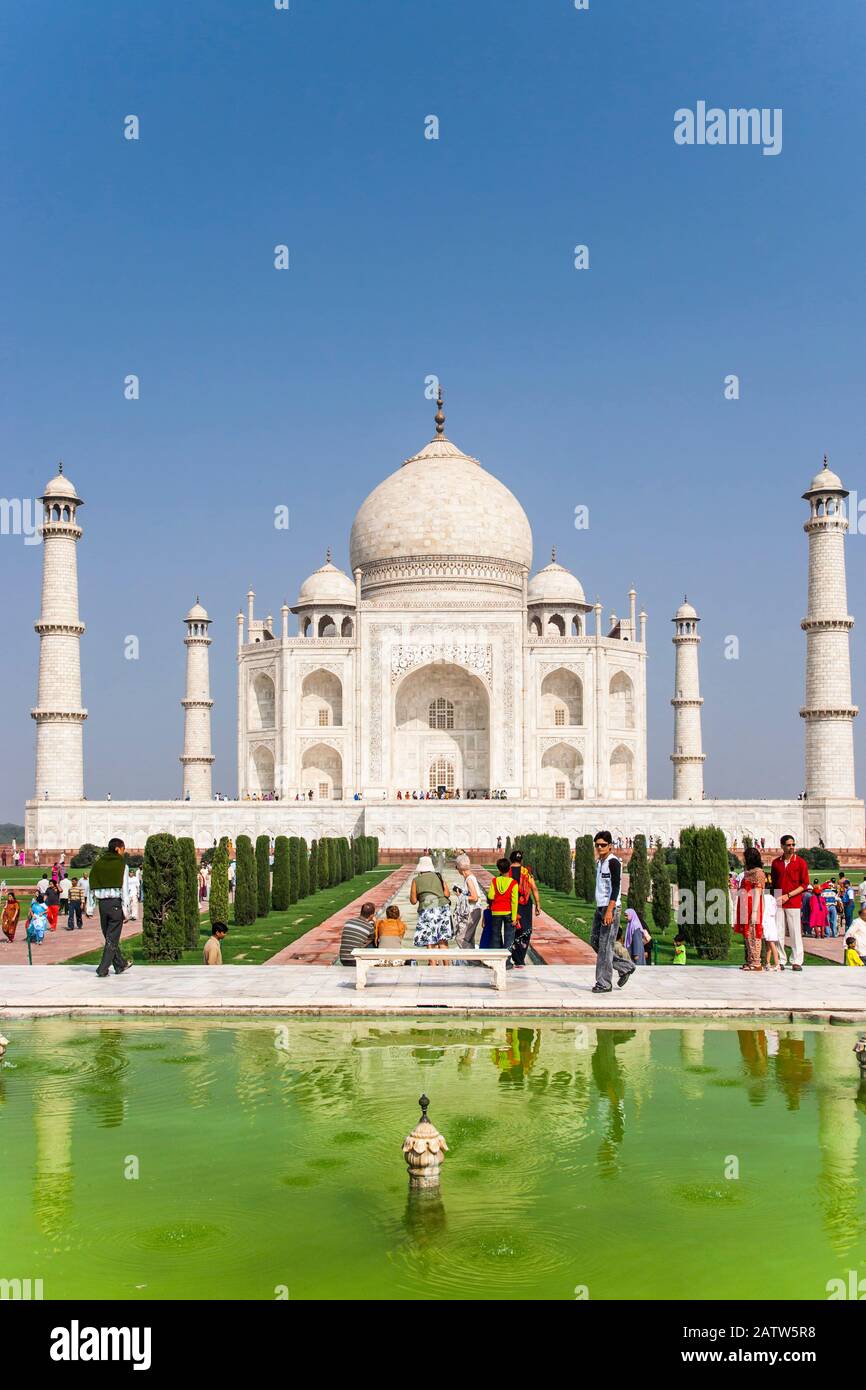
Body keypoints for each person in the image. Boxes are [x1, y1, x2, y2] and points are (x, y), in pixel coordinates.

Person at [590, 830, 633, 992]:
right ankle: (625, 966)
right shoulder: (600, 862)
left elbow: (616, 887)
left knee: (605, 946)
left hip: (611, 908)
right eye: (597, 845)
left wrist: (610, 910)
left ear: (610, 846)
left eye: (603, 845)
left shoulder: (613, 862)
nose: (600, 847)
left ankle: (604, 983)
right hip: (601, 907)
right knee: (595, 941)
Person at [87, 838, 134, 978]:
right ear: (118, 849)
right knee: (112, 938)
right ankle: (102, 968)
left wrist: (90, 907)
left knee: (109, 936)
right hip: (115, 905)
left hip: (102, 905)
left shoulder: (98, 864)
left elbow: (91, 886)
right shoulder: (121, 865)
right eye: (123, 850)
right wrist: (126, 911)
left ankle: (120, 964)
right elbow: (124, 889)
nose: (123, 853)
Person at [770, 835, 810, 971]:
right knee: (779, 931)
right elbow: (774, 884)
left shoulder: (800, 862)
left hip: (793, 901)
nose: (791, 847)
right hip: (779, 901)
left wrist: (788, 895)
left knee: (794, 932)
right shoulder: (776, 863)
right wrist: (775, 900)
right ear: (782, 846)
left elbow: (804, 884)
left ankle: (797, 960)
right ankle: (781, 959)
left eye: (793, 845)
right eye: (788, 845)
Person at [410, 856, 452, 961]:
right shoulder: (438, 876)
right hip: (443, 908)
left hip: (427, 909)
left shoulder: (416, 880)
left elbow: (413, 900)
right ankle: (447, 966)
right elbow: (447, 894)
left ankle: (433, 966)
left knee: (430, 941)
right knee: (443, 939)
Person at [734, 845, 765, 971]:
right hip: (745, 906)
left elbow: (758, 892)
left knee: (754, 933)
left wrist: (755, 912)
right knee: (747, 933)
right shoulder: (747, 873)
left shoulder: (758, 873)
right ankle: (750, 960)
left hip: (753, 906)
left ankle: (757, 962)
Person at [509, 850, 540, 969]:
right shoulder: (526, 872)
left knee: (512, 930)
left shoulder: (507, 872)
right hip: (525, 905)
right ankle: (520, 959)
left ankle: (512, 957)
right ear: (521, 860)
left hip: (511, 904)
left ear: (511, 859)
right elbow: (534, 888)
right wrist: (538, 904)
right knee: (525, 931)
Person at [486, 857, 519, 963]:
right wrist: (514, 918)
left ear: (499, 870)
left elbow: (491, 896)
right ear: (509, 869)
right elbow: (514, 902)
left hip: (496, 912)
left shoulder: (494, 881)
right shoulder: (513, 883)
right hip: (508, 912)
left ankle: (496, 960)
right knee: (509, 937)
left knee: (496, 935)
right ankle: (507, 962)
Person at [452, 854, 484, 953]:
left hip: (472, 912)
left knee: (461, 938)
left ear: (459, 867)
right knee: (469, 939)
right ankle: (472, 963)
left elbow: (474, 897)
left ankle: (474, 961)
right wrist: (462, 894)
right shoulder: (469, 878)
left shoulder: (469, 879)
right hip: (474, 911)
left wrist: (461, 896)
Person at [339, 901, 376, 965]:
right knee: (373, 942)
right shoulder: (369, 927)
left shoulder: (348, 922)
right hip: (355, 960)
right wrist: (375, 922)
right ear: (372, 915)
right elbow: (373, 938)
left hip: (343, 958)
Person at [761, 877, 781, 971]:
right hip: (771, 921)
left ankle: (777, 963)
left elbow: (763, 911)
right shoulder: (773, 898)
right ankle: (768, 963)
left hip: (767, 921)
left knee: (771, 944)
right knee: (769, 944)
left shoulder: (764, 898)